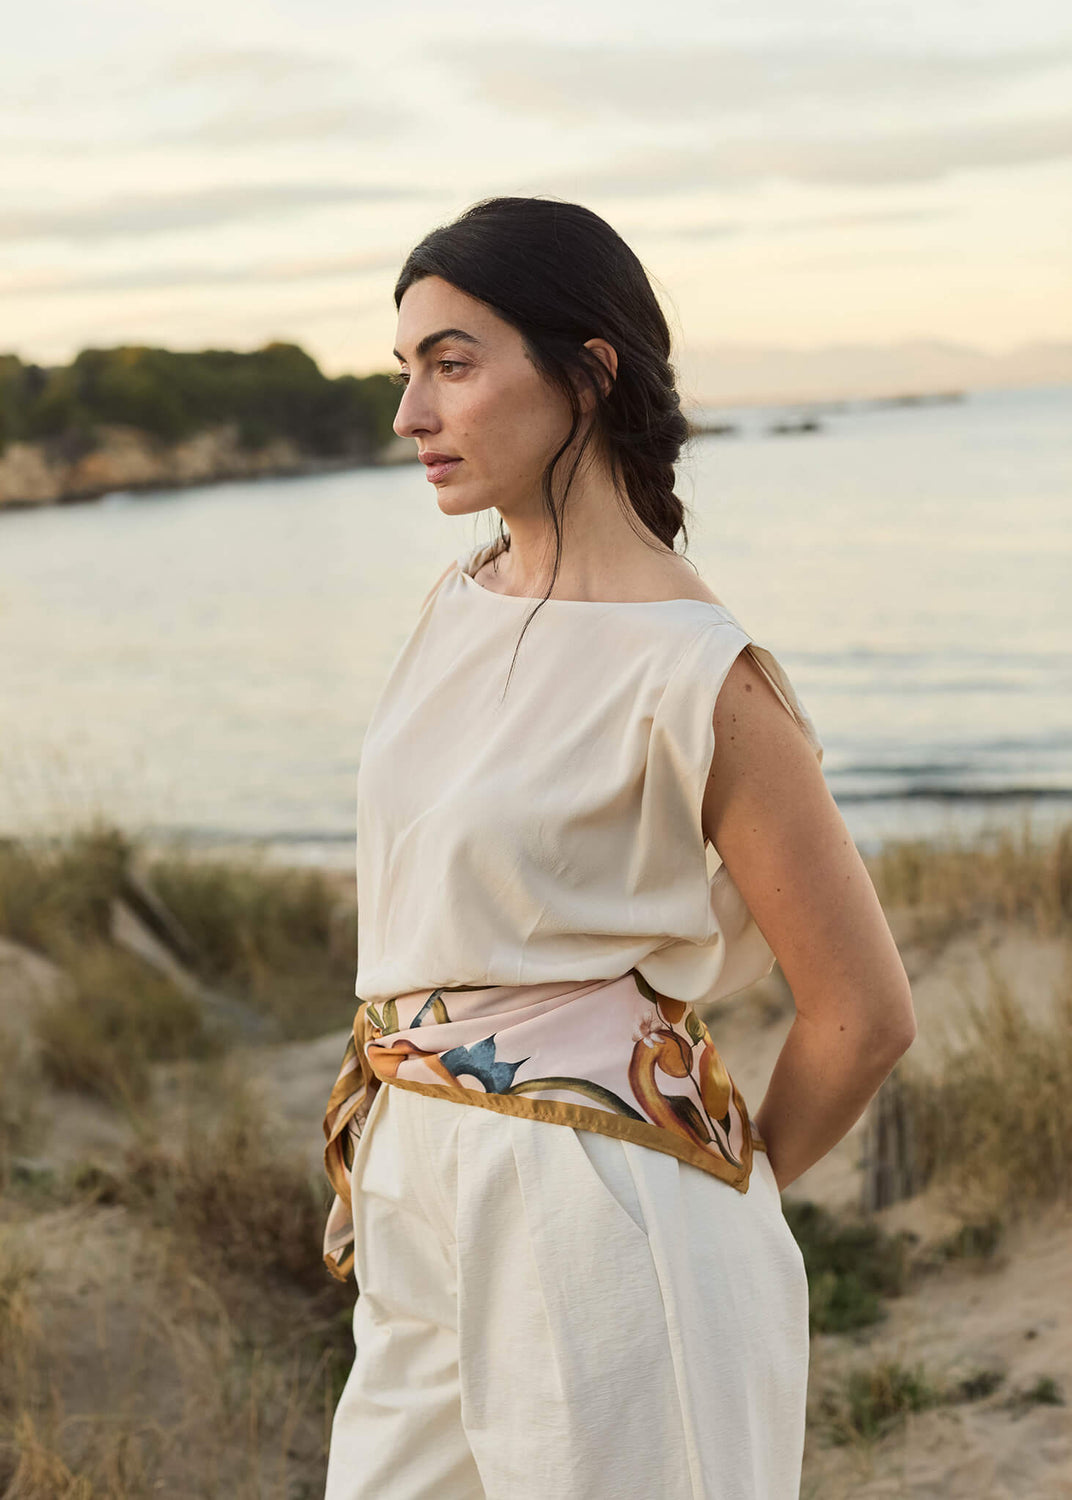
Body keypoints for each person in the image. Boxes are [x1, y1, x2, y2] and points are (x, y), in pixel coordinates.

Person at [321, 196, 916, 1500]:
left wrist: (698, 1191)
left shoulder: (699, 673)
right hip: (411, 1175)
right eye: (407, 369)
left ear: (586, 373)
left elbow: (862, 1014)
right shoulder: (457, 601)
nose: (411, 415)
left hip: (599, 1205)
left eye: (453, 363)